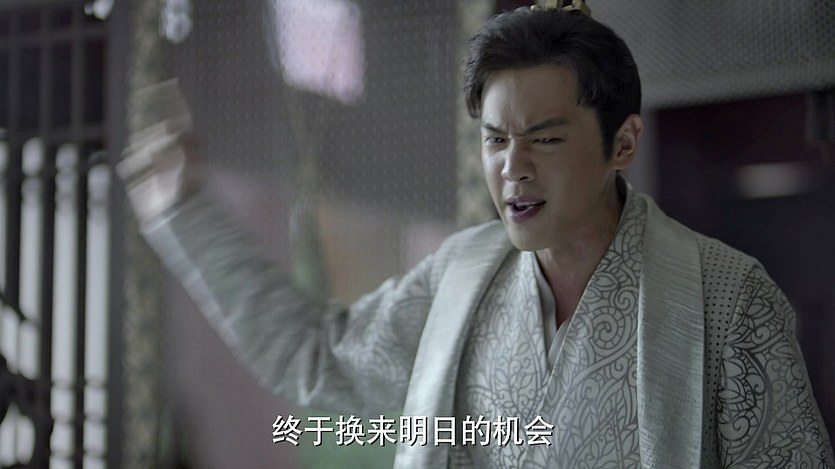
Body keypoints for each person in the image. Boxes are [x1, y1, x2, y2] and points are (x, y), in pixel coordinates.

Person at [120, 4, 834, 468]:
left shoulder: (727, 298)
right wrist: (183, 212)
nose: (513, 168)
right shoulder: (460, 276)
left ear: (622, 142)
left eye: (544, 138)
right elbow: (320, 358)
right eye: (495, 140)